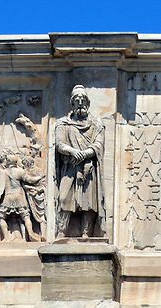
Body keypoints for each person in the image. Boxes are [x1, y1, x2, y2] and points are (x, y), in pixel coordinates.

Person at [54, 85, 106, 238]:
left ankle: (86, 233)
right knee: (64, 198)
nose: (80, 102)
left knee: (88, 202)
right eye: (77, 100)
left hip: (88, 168)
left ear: (88, 103)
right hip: (70, 166)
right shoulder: (63, 123)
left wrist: (84, 154)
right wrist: (73, 151)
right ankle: (62, 231)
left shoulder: (96, 124)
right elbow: (59, 144)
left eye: (83, 99)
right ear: (72, 103)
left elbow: (98, 144)